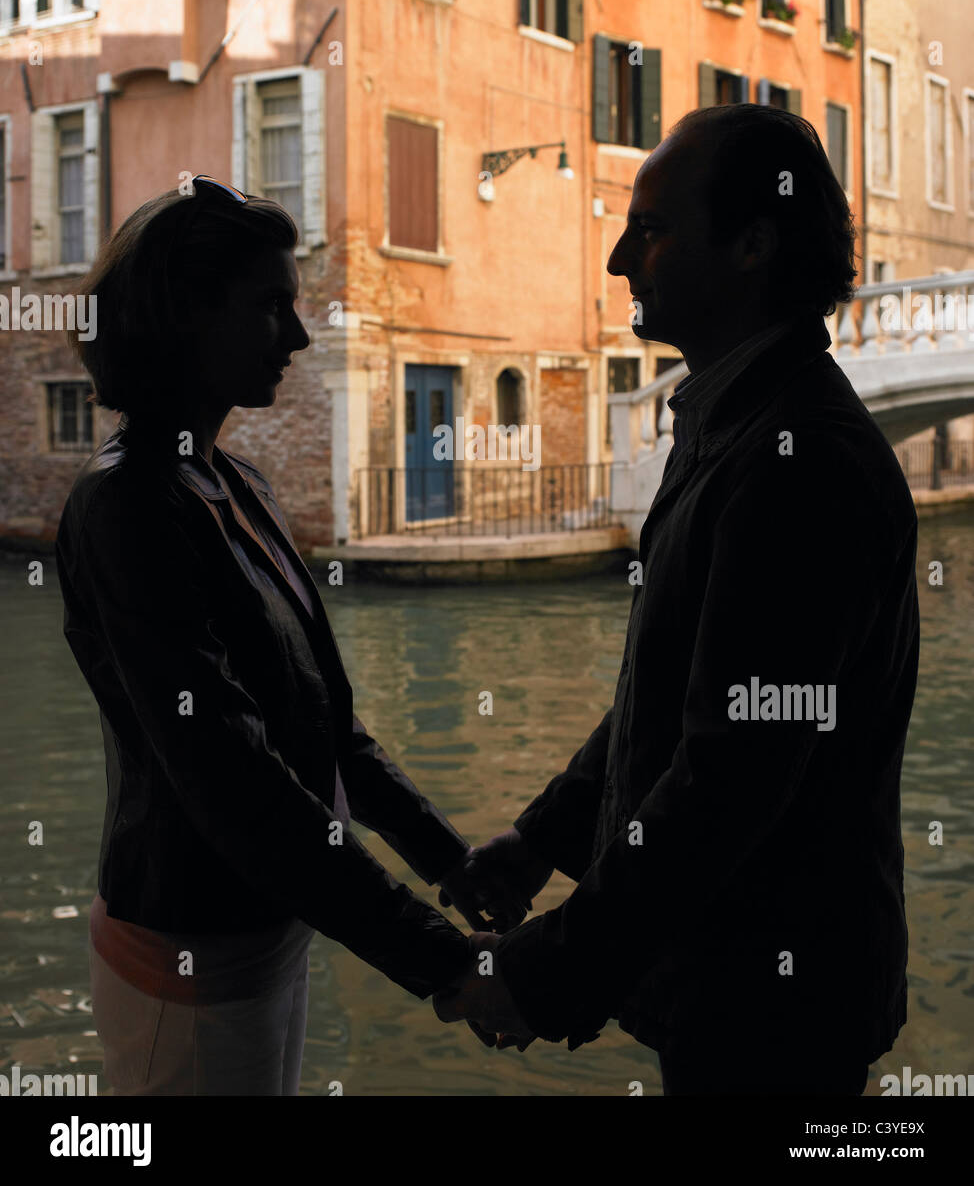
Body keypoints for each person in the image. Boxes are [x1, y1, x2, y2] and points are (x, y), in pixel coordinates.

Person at [434, 105, 921, 1095]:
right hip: (735, 989)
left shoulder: (795, 462)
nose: (618, 258)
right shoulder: (736, 426)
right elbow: (671, 692)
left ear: (749, 244)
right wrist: (541, 839)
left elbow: (729, 774)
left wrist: (547, 970)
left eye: (649, 229)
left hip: (770, 1007)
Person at [56, 175, 528, 1096]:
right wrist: (446, 964)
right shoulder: (127, 506)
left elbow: (330, 726)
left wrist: (448, 861)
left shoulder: (237, 484)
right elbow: (230, 778)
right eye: (272, 307)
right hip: (184, 953)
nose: (301, 337)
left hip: (269, 933)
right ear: (187, 314)